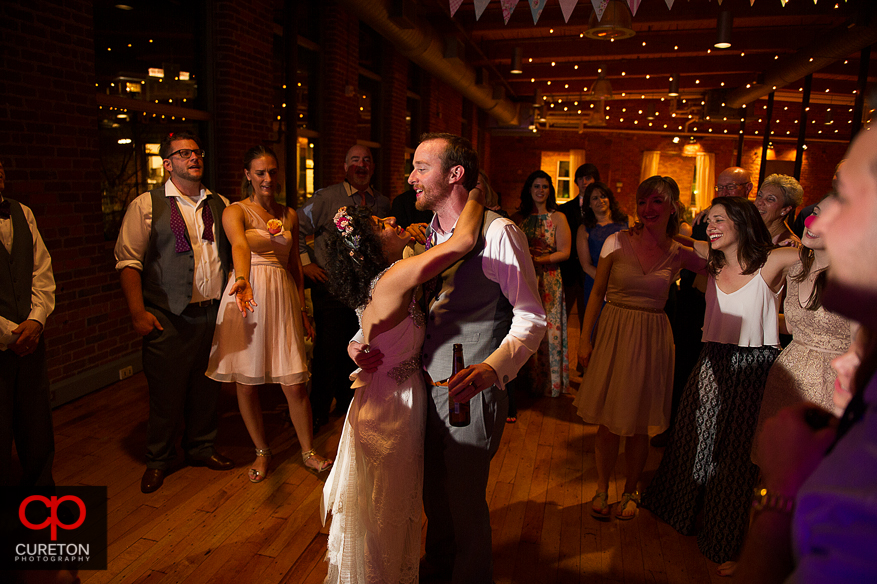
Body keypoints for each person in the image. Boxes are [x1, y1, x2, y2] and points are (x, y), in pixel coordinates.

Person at [352, 133, 546, 584]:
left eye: (421, 167)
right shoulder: (426, 237)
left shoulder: (499, 233)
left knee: (463, 502)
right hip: (419, 391)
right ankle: (438, 572)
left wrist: (495, 367)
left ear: (454, 174)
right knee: (433, 497)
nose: (410, 177)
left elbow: (532, 316)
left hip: (468, 392)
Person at [735, 118, 877, 583]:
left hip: (826, 383)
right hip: (790, 367)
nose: (823, 216)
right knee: (770, 467)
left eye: (847, 197)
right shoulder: (796, 264)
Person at [321, 186, 484, 583]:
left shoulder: (382, 277)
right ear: (369, 249)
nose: (393, 220)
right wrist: (476, 192)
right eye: (381, 224)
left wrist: (354, 346)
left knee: (388, 512)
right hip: (390, 411)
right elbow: (463, 241)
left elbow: (366, 330)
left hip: (391, 401)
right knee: (386, 513)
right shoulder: (393, 277)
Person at [641, 196, 805, 575]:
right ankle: (682, 512)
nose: (710, 226)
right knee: (694, 440)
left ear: (741, 222)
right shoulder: (710, 259)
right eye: (708, 220)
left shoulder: (773, 259)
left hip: (755, 367)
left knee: (734, 459)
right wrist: (655, 213)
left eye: (718, 220)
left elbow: (829, 259)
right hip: (712, 359)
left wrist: (808, 236)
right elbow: (665, 234)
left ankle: (725, 540)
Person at [574, 176, 704, 521]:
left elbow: (720, 259)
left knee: (638, 421)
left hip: (652, 336)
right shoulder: (616, 242)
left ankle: (630, 489)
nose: (648, 209)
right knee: (608, 419)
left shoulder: (679, 252)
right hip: (614, 332)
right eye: (642, 202)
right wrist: (584, 340)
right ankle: (602, 487)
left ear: (672, 205)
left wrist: (679, 235)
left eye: (657, 202)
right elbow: (596, 293)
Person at [115, 132, 234, 494]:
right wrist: (137, 313)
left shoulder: (220, 204)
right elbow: (128, 262)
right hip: (167, 315)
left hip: (213, 314)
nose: (193, 158)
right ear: (168, 164)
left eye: (197, 152)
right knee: (166, 394)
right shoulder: (147, 205)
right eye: (183, 154)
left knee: (207, 388)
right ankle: (158, 459)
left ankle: (200, 448)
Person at [205, 146, 331, 482]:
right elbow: (239, 247)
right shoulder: (236, 211)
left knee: (293, 382)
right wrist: (243, 278)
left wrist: (303, 310)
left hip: (283, 297)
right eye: (260, 172)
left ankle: (308, 450)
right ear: (248, 175)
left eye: (272, 172)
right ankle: (262, 450)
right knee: (246, 384)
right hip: (248, 296)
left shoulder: (290, 214)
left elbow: (294, 266)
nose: (267, 179)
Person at [751, 198, 855, 465]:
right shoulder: (796, 269)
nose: (812, 223)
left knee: (814, 469)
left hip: (828, 387)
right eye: (814, 213)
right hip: (787, 379)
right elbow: (799, 325)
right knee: (777, 470)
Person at [298, 145, 392, 433]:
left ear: (373, 167)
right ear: (345, 166)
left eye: (366, 160)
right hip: (332, 288)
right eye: (355, 160)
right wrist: (306, 264)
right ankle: (317, 412)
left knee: (357, 349)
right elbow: (297, 228)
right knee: (328, 352)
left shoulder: (382, 203)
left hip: (367, 292)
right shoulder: (326, 198)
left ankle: (347, 404)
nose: (361, 165)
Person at [0, 160, 56, 487]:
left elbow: (42, 272)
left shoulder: (23, 213)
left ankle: (41, 501)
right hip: (5, 342)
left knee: (36, 428)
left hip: (32, 340)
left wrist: (36, 319)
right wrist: (9, 335)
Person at [516, 170, 571, 399]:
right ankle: (526, 382)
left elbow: (565, 252)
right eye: (536, 186)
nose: (540, 190)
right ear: (529, 190)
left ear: (550, 191)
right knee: (526, 326)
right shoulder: (519, 218)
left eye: (545, 186)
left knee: (550, 328)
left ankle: (550, 382)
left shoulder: (558, 217)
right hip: (525, 278)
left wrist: (538, 260)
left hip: (549, 279)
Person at [575, 181, 629, 341]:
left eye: (603, 196)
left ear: (610, 198)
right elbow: (585, 265)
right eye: (595, 198)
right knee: (597, 332)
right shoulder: (584, 229)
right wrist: (606, 281)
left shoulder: (627, 222)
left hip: (624, 284)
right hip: (596, 284)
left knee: (622, 332)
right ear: (589, 205)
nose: (600, 201)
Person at [558, 163, 600, 328]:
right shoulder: (565, 209)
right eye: (580, 178)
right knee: (561, 318)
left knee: (590, 322)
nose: (584, 182)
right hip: (569, 271)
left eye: (588, 177)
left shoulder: (602, 208)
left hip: (593, 271)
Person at [756, 173, 803, 247]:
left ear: (785, 210)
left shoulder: (789, 245)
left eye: (770, 199)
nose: (760, 202)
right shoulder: (751, 232)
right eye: (759, 195)